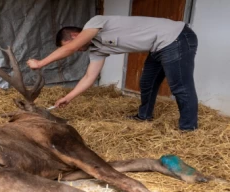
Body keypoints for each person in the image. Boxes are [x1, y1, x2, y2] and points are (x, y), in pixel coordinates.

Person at [27, 15, 198, 131]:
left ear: (75, 35)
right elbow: (89, 77)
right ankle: (144, 116)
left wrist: (41, 63)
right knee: (147, 82)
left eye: (72, 45)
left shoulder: (95, 21)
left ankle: (188, 128)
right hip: (158, 47)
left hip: (176, 38)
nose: (77, 50)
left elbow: (71, 48)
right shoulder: (96, 49)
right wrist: (68, 97)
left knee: (180, 86)